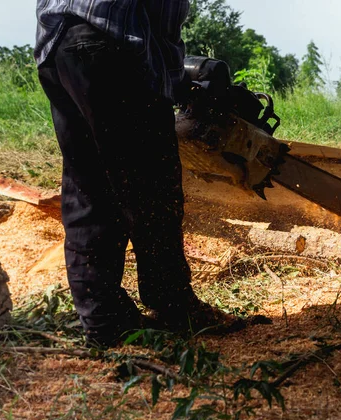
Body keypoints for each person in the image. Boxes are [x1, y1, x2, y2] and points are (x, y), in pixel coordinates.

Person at [35, 0, 238, 347]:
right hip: (111, 43)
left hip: (57, 46)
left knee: (89, 188)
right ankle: (173, 305)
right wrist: (170, 85)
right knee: (153, 187)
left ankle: (103, 320)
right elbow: (165, 12)